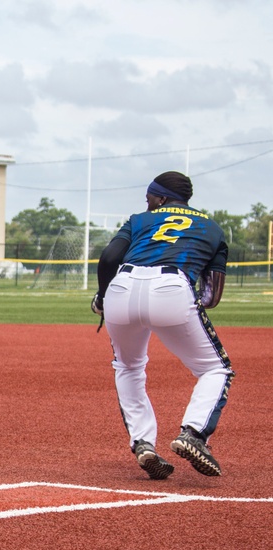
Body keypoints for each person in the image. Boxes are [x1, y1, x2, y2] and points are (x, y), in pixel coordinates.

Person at [92, 171, 234, 480]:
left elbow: (108, 259)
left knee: (128, 366)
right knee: (215, 369)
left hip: (122, 285)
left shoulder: (140, 221)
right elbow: (211, 296)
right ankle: (194, 433)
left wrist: (103, 298)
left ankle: (143, 443)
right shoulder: (212, 228)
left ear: (162, 199)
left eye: (150, 200)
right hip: (172, 285)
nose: (148, 206)